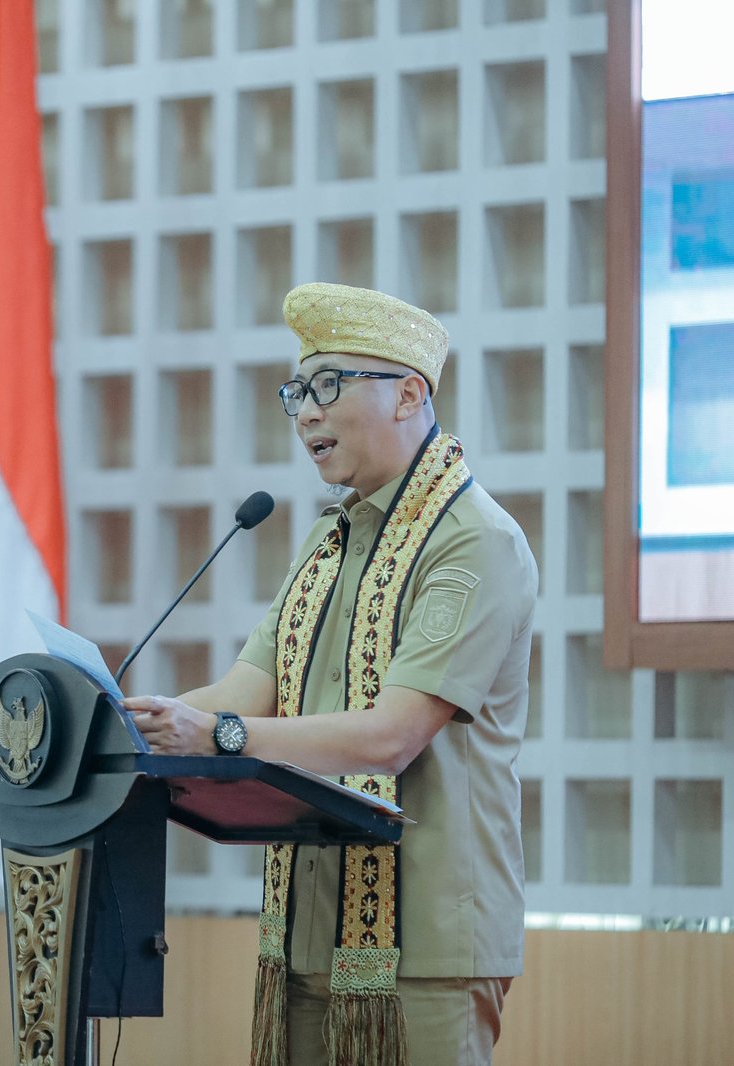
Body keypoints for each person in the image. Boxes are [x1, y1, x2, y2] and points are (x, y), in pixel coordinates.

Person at [122, 282, 537, 1066]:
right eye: (297, 393)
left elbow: (390, 737)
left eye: (328, 386)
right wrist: (117, 722)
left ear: (409, 394)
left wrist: (219, 735)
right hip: (305, 931)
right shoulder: (327, 544)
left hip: (428, 943)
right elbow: (242, 695)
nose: (305, 413)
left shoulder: (474, 541)